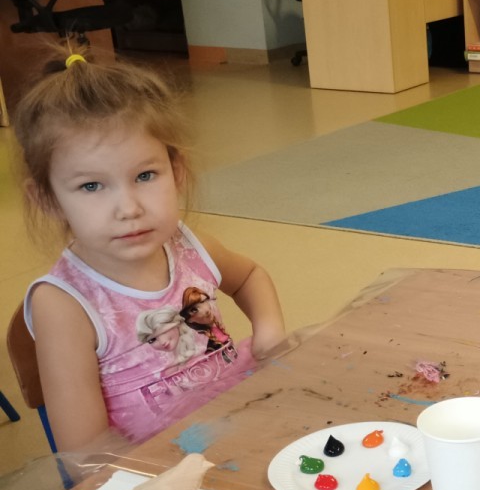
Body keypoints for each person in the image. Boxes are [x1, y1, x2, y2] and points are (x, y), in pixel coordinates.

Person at [16, 48, 287, 451]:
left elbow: (249, 276)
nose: (129, 208)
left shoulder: (189, 245)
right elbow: (87, 452)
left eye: (145, 175)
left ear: (175, 172)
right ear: (49, 199)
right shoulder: (63, 305)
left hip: (242, 422)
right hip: (157, 470)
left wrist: (268, 331)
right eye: (91, 186)